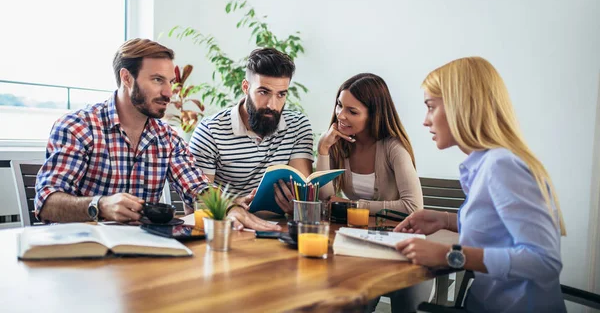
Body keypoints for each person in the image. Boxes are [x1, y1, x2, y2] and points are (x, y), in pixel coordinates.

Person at [35, 38, 279, 231]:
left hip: (139, 255)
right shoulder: (78, 127)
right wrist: (100, 205)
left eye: (170, 81)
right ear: (126, 78)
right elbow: (46, 204)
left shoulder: (168, 139)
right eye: (157, 80)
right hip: (80, 254)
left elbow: (198, 188)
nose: (168, 92)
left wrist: (228, 208)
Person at [395, 57, 567, 313]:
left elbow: (544, 261)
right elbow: (501, 233)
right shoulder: (487, 163)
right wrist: (445, 220)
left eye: (431, 107)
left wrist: (448, 255)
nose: (425, 120)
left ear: (461, 106)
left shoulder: (501, 165)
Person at [316, 73, 430, 313]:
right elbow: (327, 200)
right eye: (339, 105)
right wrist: (323, 150)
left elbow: (413, 208)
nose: (341, 115)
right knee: (349, 304)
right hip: (359, 245)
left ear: (373, 115)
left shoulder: (393, 148)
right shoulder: (341, 143)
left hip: (401, 249)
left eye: (352, 111)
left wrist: (353, 206)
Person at [189, 48, 314, 214]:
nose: (272, 105)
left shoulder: (297, 125)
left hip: (280, 227)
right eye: (264, 92)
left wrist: (297, 204)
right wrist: (233, 204)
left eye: (281, 94)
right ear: (246, 87)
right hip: (231, 227)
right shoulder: (210, 131)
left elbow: (301, 194)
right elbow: (196, 203)